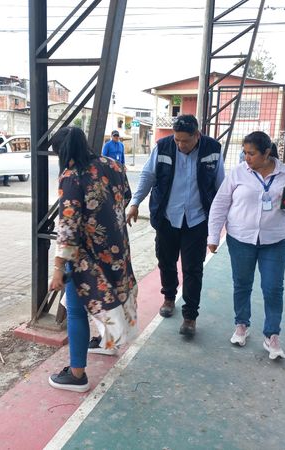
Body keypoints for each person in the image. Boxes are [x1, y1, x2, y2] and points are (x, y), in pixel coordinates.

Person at [49, 127, 138, 392]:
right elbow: (126, 196)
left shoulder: (71, 177)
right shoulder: (113, 165)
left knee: (76, 310)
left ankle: (77, 375)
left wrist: (57, 269)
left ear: (63, 152)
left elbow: (68, 227)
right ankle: (107, 342)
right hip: (117, 249)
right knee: (110, 296)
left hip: (87, 258)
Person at [207, 131, 285, 360]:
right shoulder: (238, 172)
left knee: (273, 288)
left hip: (275, 240)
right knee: (242, 284)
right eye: (245, 152)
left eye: (251, 153)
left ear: (266, 153)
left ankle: (272, 335)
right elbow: (220, 204)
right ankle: (241, 324)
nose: (246, 157)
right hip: (241, 239)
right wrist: (213, 236)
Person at [127, 115, 224, 336]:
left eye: (185, 141)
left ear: (197, 135)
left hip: (197, 220)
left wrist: (221, 221)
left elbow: (221, 186)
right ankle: (169, 298)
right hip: (167, 217)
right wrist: (135, 203)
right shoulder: (163, 147)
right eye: (177, 140)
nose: (180, 145)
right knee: (166, 261)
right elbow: (148, 176)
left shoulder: (213, 149)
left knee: (193, 268)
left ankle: (190, 316)